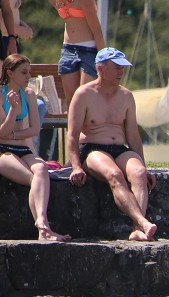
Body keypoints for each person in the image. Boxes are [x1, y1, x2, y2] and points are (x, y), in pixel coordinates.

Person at [67, 47, 157, 241]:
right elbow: (72, 135)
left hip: (119, 148)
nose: (120, 72)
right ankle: (142, 222)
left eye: (122, 68)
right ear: (100, 68)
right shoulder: (83, 94)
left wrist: (144, 165)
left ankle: (137, 230)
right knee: (114, 174)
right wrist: (75, 166)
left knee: (139, 173)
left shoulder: (126, 96)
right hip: (92, 148)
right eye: (116, 67)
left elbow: (133, 136)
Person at [0, 54, 71, 241]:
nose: (28, 76)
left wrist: (13, 133)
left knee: (41, 168)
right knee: (33, 179)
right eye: (24, 72)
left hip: (23, 148)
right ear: (10, 73)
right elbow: (1, 133)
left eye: (29, 72)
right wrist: (13, 111)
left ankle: (42, 223)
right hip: (3, 151)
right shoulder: (0, 94)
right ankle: (44, 228)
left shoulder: (29, 94)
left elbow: (34, 129)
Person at [51, 0, 105, 111]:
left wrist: (103, 60)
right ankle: (72, 128)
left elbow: (97, 31)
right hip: (68, 49)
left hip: (88, 49)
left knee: (85, 96)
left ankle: (86, 128)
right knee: (71, 100)